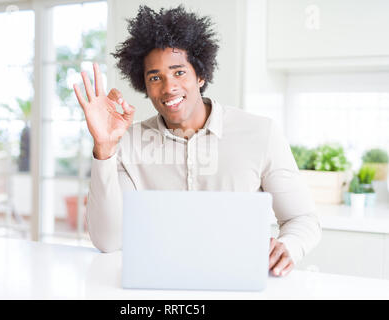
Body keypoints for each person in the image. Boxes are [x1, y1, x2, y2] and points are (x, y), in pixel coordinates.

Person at [73, 5, 321, 277]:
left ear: (200, 75)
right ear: (144, 85)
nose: (169, 87)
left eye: (179, 72)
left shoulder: (260, 133)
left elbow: (302, 219)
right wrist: (105, 149)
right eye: (155, 77)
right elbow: (108, 241)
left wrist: (289, 247)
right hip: (158, 284)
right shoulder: (128, 141)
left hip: (239, 281)